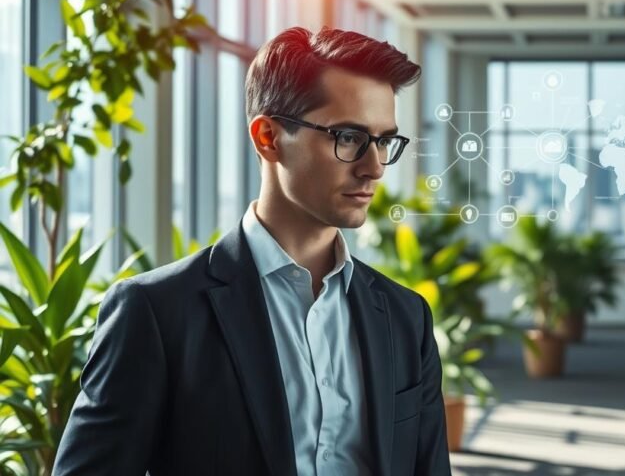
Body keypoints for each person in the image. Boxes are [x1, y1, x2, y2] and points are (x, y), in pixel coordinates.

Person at [54, 27, 452, 476]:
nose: (374, 166)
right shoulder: (157, 313)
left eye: (383, 141)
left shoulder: (405, 317)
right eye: (348, 137)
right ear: (268, 137)